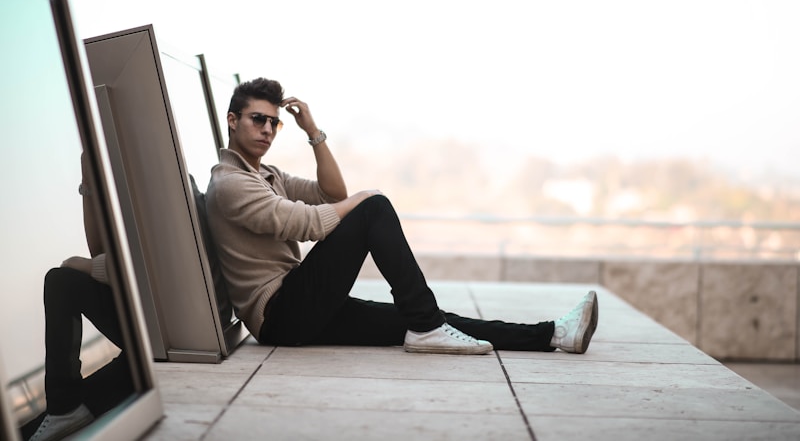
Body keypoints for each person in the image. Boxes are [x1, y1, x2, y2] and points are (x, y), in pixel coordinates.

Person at [205, 78, 598, 355]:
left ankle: (554, 334)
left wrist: (313, 133)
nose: (269, 129)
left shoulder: (267, 175)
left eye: (274, 122)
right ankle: (428, 326)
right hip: (279, 313)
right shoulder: (231, 183)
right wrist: (365, 199)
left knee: (421, 319)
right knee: (373, 207)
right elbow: (307, 224)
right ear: (233, 119)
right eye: (259, 119)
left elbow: (330, 194)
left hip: (300, 303)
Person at [27, 154, 133, 441]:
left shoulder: (148, 186)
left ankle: (63, 405)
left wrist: (86, 266)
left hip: (158, 339)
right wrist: (88, 184)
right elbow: (99, 250)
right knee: (35, 426)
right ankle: (64, 406)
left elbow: (144, 267)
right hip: (139, 346)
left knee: (61, 281)